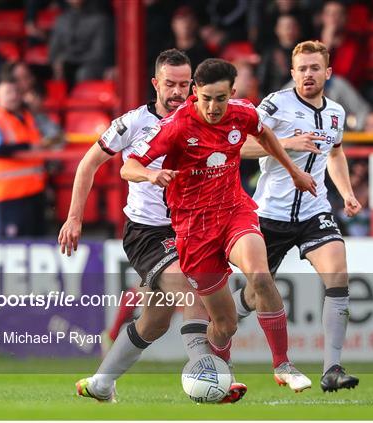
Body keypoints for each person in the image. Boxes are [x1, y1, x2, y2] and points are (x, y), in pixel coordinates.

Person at [58, 49, 246, 404]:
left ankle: (100, 384)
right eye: (170, 84)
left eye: (183, 84)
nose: (177, 92)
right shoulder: (132, 123)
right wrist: (74, 217)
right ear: (155, 83)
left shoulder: (201, 117)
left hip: (192, 229)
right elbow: (88, 164)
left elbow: (239, 144)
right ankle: (212, 375)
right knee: (192, 290)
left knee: (154, 321)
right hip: (149, 232)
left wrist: (279, 147)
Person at [121, 58, 317, 392]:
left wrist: (294, 171)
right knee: (224, 326)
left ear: (232, 94)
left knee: (260, 276)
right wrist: (152, 174)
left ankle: (282, 363)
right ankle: (220, 367)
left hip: (234, 212)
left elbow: (264, 133)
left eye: (220, 99)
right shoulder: (176, 126)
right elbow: (129, 166)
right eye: (206, 98)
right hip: (194, 231)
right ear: (195, 93)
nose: (213, 107)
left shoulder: (243, 113)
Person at [235, 40, 361, 392]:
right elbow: (238, 145)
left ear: (327, 73)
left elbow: (335, 155)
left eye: (315, 68)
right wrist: (285, 143)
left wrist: (347, 193)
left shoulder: (336, 113)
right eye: (302, 69)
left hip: (313, 210)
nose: (308, 74)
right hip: (269, 213)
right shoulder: (275, 104)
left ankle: (332, 369)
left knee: (337, 272)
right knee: (255, 292)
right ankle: (228, 321)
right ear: (293, 73)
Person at [0, 80, 47, 238]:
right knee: (11, 245)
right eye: (8, 93)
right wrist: (26, 147)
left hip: (33, 191)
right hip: (7, 195)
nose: (14, 96)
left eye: (15, 92)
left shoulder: (27, 117)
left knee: (36, 242)